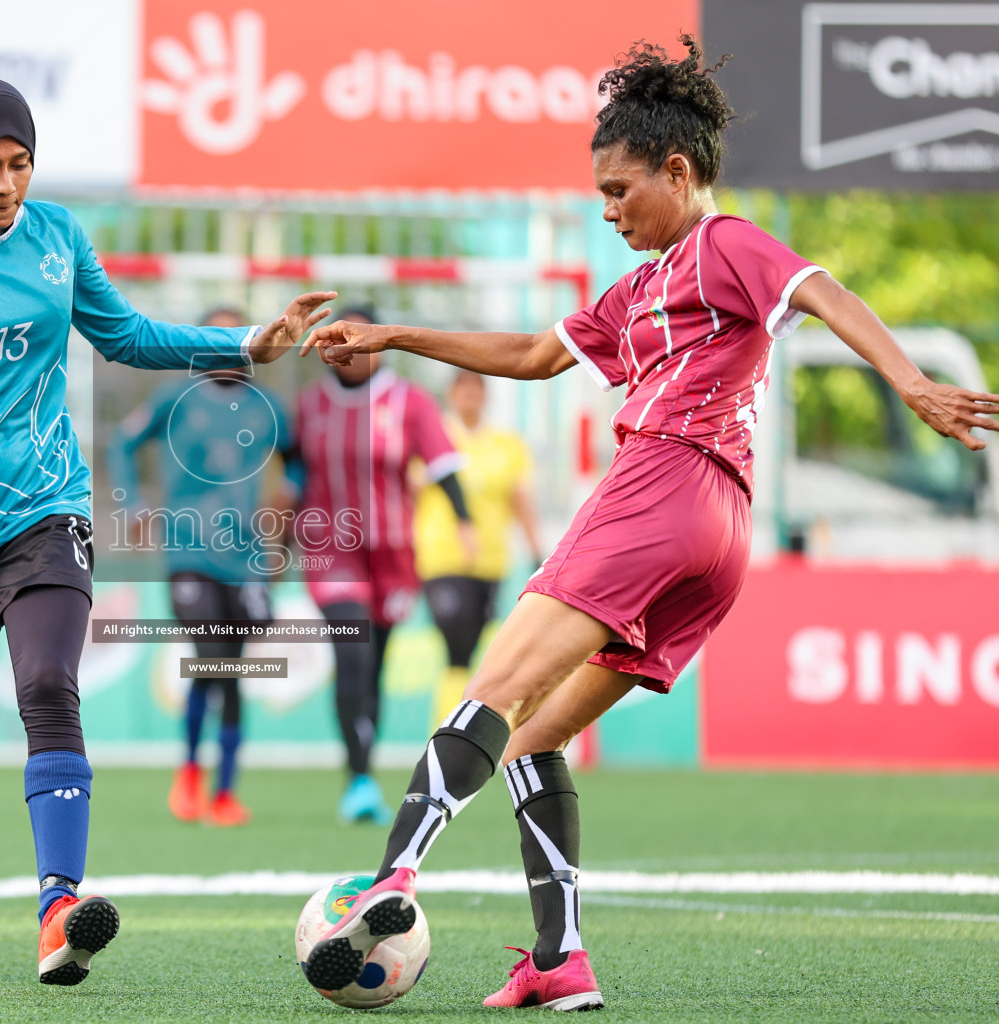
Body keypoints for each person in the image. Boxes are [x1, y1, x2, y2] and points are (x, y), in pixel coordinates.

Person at [298, 37, 997, 1010]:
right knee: (537, 735)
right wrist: (394, 335)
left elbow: (823, 290)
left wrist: (913, 381)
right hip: (719, 535)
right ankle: (559, 958)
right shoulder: (639, 291)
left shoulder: (724, 244)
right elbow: (539, 354)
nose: (609, 209)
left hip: (663, 483)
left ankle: (389, 878)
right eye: (600, 195)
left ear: (678, 171)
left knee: (498, 682)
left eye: (621, 191)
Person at [0, 78, 335, 987]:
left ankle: (57, 906)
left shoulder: (55, 239)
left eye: (21, 164)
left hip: (46, 502)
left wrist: (245, 344)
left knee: (49, 683)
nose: (7, 186)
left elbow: (122, 334)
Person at [108, 306, 296, 827]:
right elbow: (122, 444)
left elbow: (297, 458)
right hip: (187, 553)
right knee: (211, 657)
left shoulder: (269, 408)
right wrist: (132, 505)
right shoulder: (174, 399)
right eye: (217, 336)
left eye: (237, 336)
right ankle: (191, 771)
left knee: (230, 672)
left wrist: (289, 501)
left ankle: (225, 792)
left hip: (247, 558)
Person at [292, 305, 474, 825]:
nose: (343, 350)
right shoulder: (309, 406)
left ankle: (363, 767)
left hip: (393, 556)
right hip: (333, 549)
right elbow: (291, 476)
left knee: (374, 665)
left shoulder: (410, 402)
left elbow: (443, 465)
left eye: (354, 339)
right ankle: (358, 777)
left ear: (376, 345)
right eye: (333, 340)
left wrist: (465, 521)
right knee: (352, 655)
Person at [413, 370, 542, 723]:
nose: (469, 395)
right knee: (456, 643)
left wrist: (537, 552)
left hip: (490, 562)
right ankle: (444, 733)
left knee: (477, 650)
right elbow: (409, 495)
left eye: (476, 388)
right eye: (462, 388)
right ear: (450, 394)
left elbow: (521, 502)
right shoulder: (432, 437)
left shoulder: (507, 445)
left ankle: (467, 729)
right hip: (442, 558)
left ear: (486, 395)